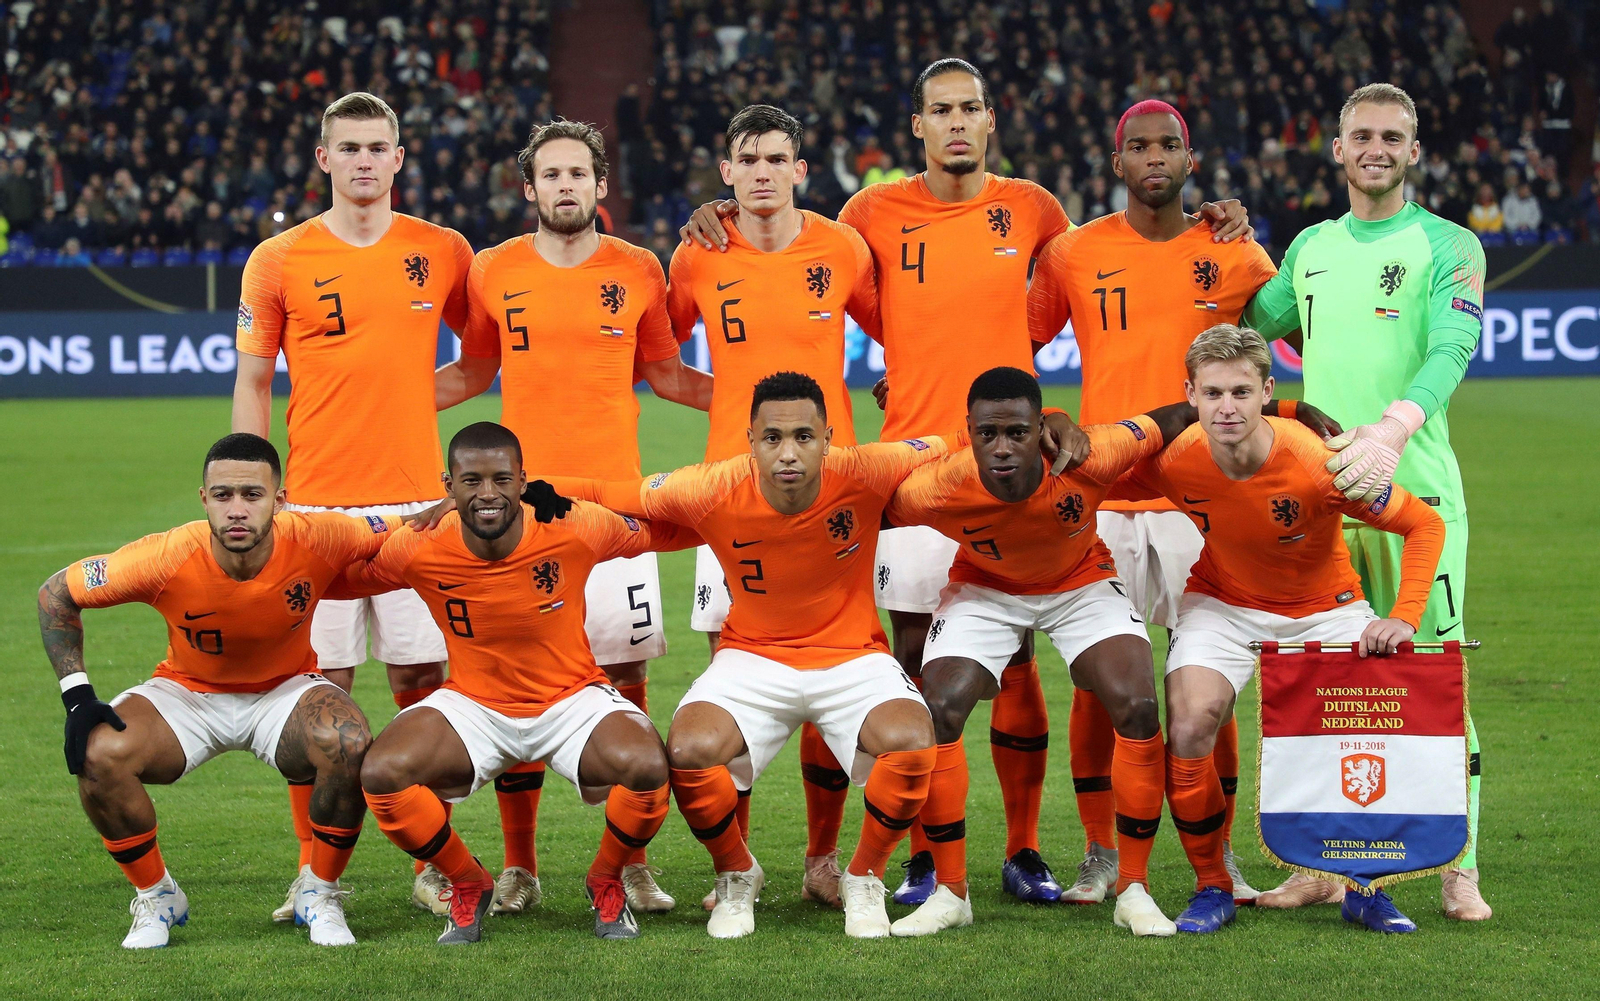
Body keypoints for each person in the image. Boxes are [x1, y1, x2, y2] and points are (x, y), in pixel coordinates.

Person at [685, 56, 1250, 905]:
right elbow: (880, 313)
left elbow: (1054, 311)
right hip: (913, 472)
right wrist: (720, 215)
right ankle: (918, 855)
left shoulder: (1034, 209)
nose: (956, 122)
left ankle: (1023, 849)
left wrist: (1212, 221)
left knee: (1017, 662)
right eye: (940, 110)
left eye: (971, 108)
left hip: (1011, 466)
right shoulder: (866, 215)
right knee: (910, 666)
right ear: (917, 125)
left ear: (992, 120)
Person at [547, 373, 1075, 938]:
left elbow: (958, 439)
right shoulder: (708, 487)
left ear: (828, 438)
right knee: (689, 750)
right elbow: (605, 493)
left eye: (803, 436)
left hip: (852, 658)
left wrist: (1056, 426)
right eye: (772, 438)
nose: (789, 453)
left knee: (915, 739)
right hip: (752, 659)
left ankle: (864, 875)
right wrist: (509, 488)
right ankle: (736, 872)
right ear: (750, 440)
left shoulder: (866, 469)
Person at [1027, 99, 1332, 906]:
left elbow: (1309, 334)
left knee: (1211, 680)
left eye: (1169, 145)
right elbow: (1008, 343)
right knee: (1100, 684)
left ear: (1192, 161)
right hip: (1107, 500)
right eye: (1138, 145)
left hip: (1208, 500)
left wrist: (1304, 413)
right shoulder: (1073, 251)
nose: (1153, 156)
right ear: (1117, 160)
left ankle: (1217, 852)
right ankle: (1100, 850)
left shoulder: (1232, 248)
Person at [431, 119, 711, 917]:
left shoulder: (639, 268)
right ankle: (520, 866)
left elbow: (668, 376)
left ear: (599, 185)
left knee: (627, 683)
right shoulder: (493, 271)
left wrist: (787, 411)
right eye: (549, 175)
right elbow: (473, 372)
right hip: (515, 519)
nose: (564, 186)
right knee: (515, 685)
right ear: (529, 189)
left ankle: (631, 861)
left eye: (577, 174)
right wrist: (368, 401)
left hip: (613, 511)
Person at [1243, 82, 1491, 922]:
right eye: (1362, 135)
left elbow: (1455, 344)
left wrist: (1392, 426)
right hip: (1323, 498)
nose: (1376, 147)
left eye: (1393, 135)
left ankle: (1459, 863)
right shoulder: (1312, 245)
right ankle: (1319, 861)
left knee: (1432, 672)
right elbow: (1251, 319)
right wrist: (1228, 247)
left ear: (1414, 152)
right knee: (1322, 674)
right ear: (1338, 150)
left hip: (1416, 489)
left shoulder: (1450, 245)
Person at [230, 91, 473, 919]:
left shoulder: (442, 250)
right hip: (315, 512)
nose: (365, 161)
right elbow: (255, 379)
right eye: (350, 148)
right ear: (324, 159)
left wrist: (402, 401)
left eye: (379, 147)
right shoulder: (278, 257)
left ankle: (430, 864)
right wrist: (257, 487)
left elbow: (479, 365)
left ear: (400, 158)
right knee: (317, 700)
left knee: (425, 685)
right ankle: (313, 874)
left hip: (416, 507)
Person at [1118, 324, 1445, 934]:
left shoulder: (1316, 462)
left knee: (1360, 738)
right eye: (1212, 393)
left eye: (1241, 392)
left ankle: (1363, 884)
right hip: (1224, 605)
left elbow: (1424, 525)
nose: (1227, 408)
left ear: (1267, 391)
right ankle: (1213, 886)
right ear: (1188, 394)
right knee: (1189, 724)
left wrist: (1401, 618)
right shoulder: (1177, 459)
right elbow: (1089, 478)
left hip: (1329, 607)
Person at [883, 367, 1211, 938]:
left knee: (1137, 705)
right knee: (936, 710)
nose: (1002, 448)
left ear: (1043, 429)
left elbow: (1178, 416)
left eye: (1017, 431)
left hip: (1081, 585)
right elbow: (855, 502)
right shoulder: (936, 486)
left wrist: (1289, 412)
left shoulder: (1092, 453)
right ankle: (952, 892)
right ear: (969, 432)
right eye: (988, 434)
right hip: (985, 590)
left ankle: (1134, 887)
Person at [38, 434, 393, 948]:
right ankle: (157, 896)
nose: (237, 510)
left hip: (285, 691)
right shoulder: (165, 557)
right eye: (223, 495)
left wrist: (475, 504)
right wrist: (77, 698)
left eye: (252, 495)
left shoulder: (322, 536)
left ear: (280, 499)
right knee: (98, 754)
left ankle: (319, 891)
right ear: (203, 498)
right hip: (187, 693)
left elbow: (414, 526)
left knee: (348, 740)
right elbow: (56, 593)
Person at [346, 423, 696, 943]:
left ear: (524, 481)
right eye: (471, 481)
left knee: (646, 767)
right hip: (473, 705)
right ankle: (468, 882)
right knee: (381, 774)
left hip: (572, 697)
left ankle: (605, 877)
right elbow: (335, 577)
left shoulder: (573, 525)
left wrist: (746, 514)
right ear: (449, 486)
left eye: (501, 479)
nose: (488, 494)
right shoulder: (418, 546)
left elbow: (668, 530)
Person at [665, 103, 880, 910]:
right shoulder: (697, 255)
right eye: (746, 158)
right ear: (726, 172)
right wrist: (731, 415)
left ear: (799, 168)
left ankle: (824, 858)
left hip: (835, 500)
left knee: (837, 671)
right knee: (735, 677)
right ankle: (737, 865)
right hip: (732, 501)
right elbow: (656, 359)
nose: (761, 171)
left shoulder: (843, 247)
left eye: (776, 158)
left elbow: (900, 331)